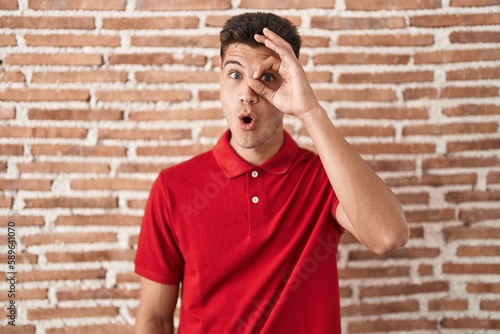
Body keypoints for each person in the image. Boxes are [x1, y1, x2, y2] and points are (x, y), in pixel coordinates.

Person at [134, 12, 409, 334]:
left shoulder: (326, 177)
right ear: (220, 84)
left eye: (267, 78)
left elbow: (388, 236)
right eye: (234, 75)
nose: (247, 93)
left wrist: (310, 111)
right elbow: (154, 317)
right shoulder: (173, 186)